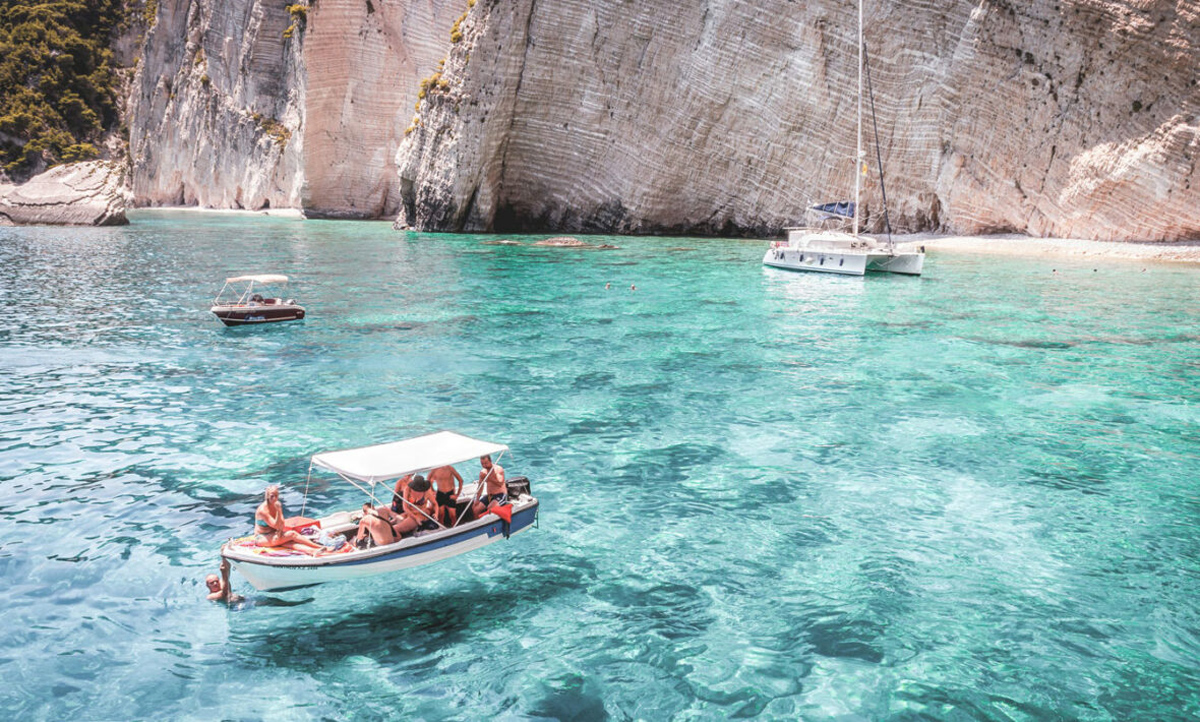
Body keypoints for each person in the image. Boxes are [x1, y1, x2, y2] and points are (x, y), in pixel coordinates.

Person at [255, 485, 326, 555]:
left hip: (274, 534)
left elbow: (281, 524)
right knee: (292, 534)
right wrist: (279, 511)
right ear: (267, 496)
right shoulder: (263, 511)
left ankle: (312, 551)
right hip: (262, 538)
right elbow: (276, 526)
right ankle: (319, 547)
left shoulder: (275, 504)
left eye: (276, 495)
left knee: (291, 543)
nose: (275, 498)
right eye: (272, 496)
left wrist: (279, 531)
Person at [471, 454, 507, 518]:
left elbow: (500, 483)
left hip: (500, 495)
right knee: (475, 509)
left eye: (486, 463)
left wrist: (488, 477)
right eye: (482, 464)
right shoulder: (483, 472)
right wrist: (477, 499)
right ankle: (478, 524)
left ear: (490, 461)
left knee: (490, 508)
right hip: (490, 496)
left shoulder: (498, 469)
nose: (484, 465)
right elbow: (480, 487)